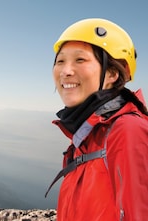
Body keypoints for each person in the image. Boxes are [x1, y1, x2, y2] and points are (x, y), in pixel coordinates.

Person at [45, 18, 148, 221]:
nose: (66, 71)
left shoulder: (127, 130)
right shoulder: (86, 138)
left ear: (111, 73)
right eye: (60, 61)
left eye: (80, 60)